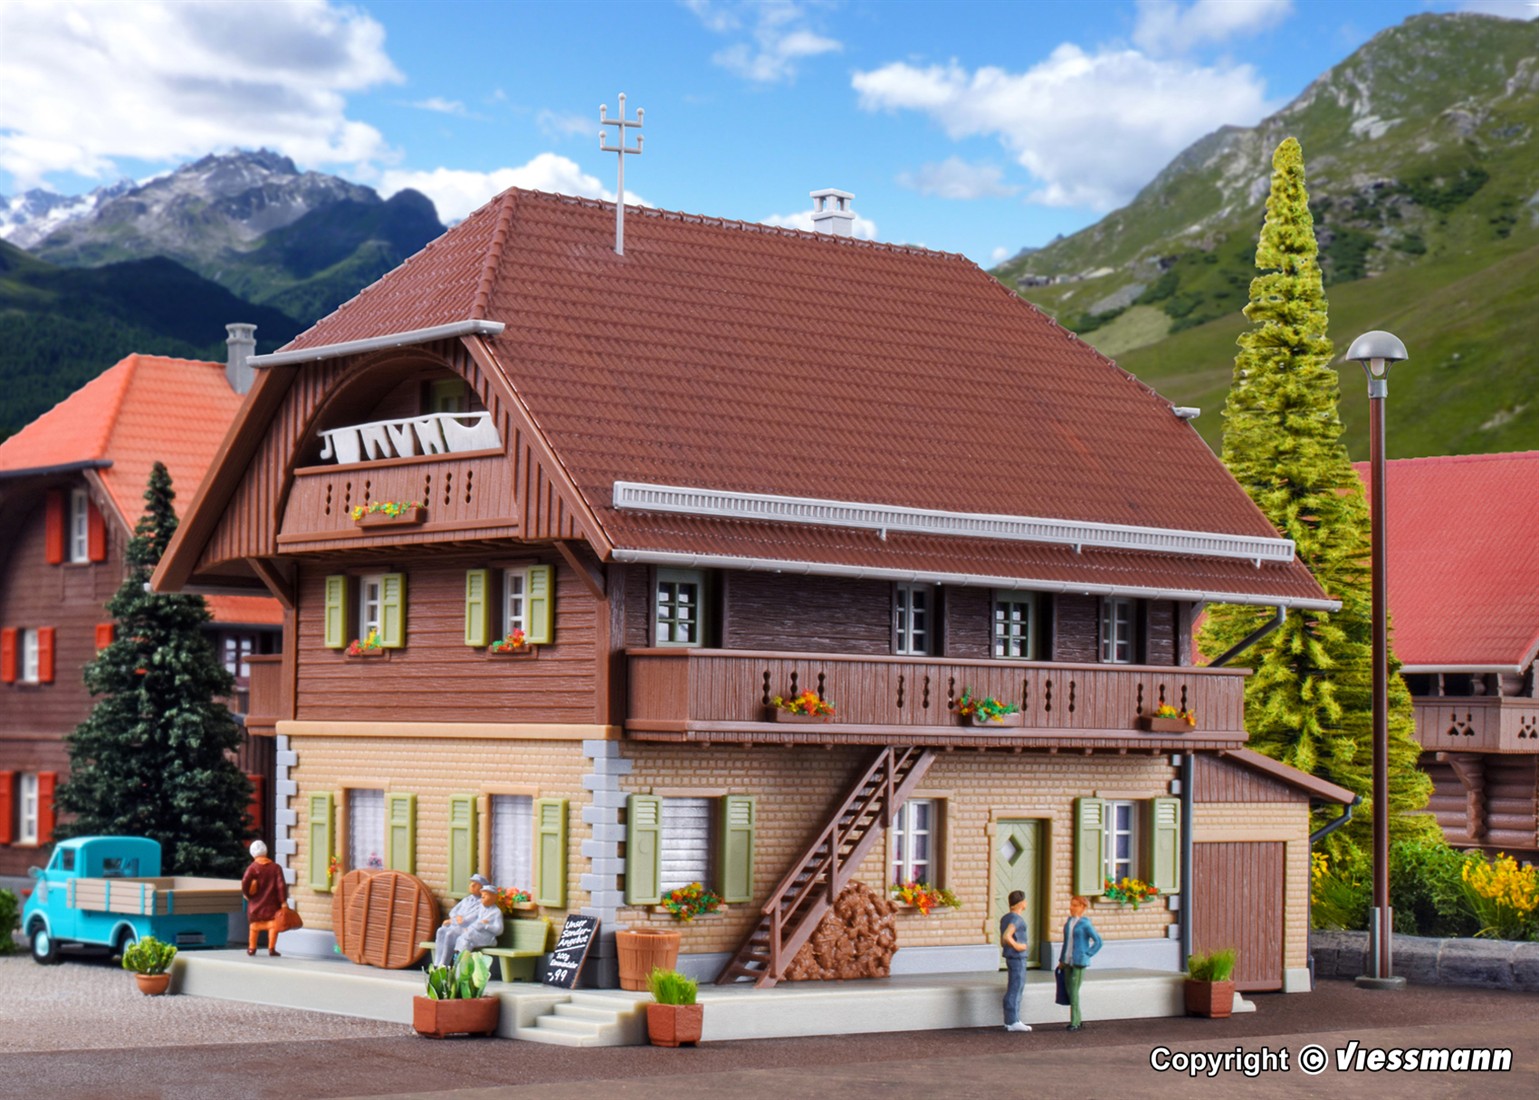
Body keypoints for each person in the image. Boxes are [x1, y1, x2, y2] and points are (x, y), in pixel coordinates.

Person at [1057, 894, 1103, 1031]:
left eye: (1075, 905)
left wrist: (1087, 954)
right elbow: (1066, 943)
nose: (1071, 908)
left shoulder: (1085, 924)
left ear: (1082, 907)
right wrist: (1062, 959)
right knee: (1069, 990)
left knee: (1074, 991)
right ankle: (1078, 1018)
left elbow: (1098, 941)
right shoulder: (1069, 923)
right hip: (1067, 961)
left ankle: (1075, 1022)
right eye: (1071, 905)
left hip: (1078, 962)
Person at [437, 884, 505, 967]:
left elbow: (499, 930)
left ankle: (460, 966)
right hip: (474, 933)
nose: (482, 896)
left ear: (494, 897)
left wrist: (485, 925)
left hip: (486, 936)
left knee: (466, 938)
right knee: (462, 938)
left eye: (486, 895)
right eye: (482, 894)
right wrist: (468, 927)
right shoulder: (481, 908)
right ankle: (456, 964)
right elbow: (471, 921)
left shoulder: (496, 912)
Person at [242, 840, 288, 957]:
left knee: (254, 927)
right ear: (266, 852)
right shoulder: (276, 868)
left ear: (253, 854)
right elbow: (281, 886)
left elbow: (245, 881)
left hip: (255, 905)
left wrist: (247, 894)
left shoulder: (252, 868)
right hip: (272, 905)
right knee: (272, 926)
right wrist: (283, 901)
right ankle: (271, 948)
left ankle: (252, 948)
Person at [999, 889, 1032, 1033]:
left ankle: (1012, 1019)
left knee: (1014, 986)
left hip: (1011, 956)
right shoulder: (1017, 919)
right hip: (1018, 957)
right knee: (1016, 987)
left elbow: (1003, 940)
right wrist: (1018, 946)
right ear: (1020, 903)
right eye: (1024, 900)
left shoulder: (1005, 918)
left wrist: (1008, 945)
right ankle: (1012, 1020)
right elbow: (1006, 936)